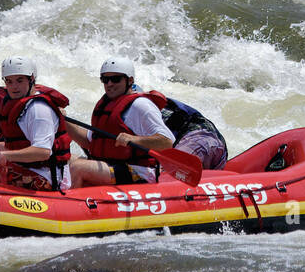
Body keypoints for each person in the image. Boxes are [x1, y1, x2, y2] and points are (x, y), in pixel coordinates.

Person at [67, 58, 229, 188]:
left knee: (169, 173)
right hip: (137, 158)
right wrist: (63, 119)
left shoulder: (140, 106)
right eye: (105, 79)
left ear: (130, 82)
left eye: (115, 79)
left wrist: (134, 140)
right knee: (73, 162)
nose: (109, 84)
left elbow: (166, 142)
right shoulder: (109, 106)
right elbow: (91, 141)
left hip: (200, 135)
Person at [0, 57, 73, 191]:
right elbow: (19, 145)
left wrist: (4, 156)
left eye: (19, 80)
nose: (14, 87)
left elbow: (42, 152)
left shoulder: (39, 110)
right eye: (9, 81)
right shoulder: (22, 103)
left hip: (47, 178)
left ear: (31, 79)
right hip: (32, 167)